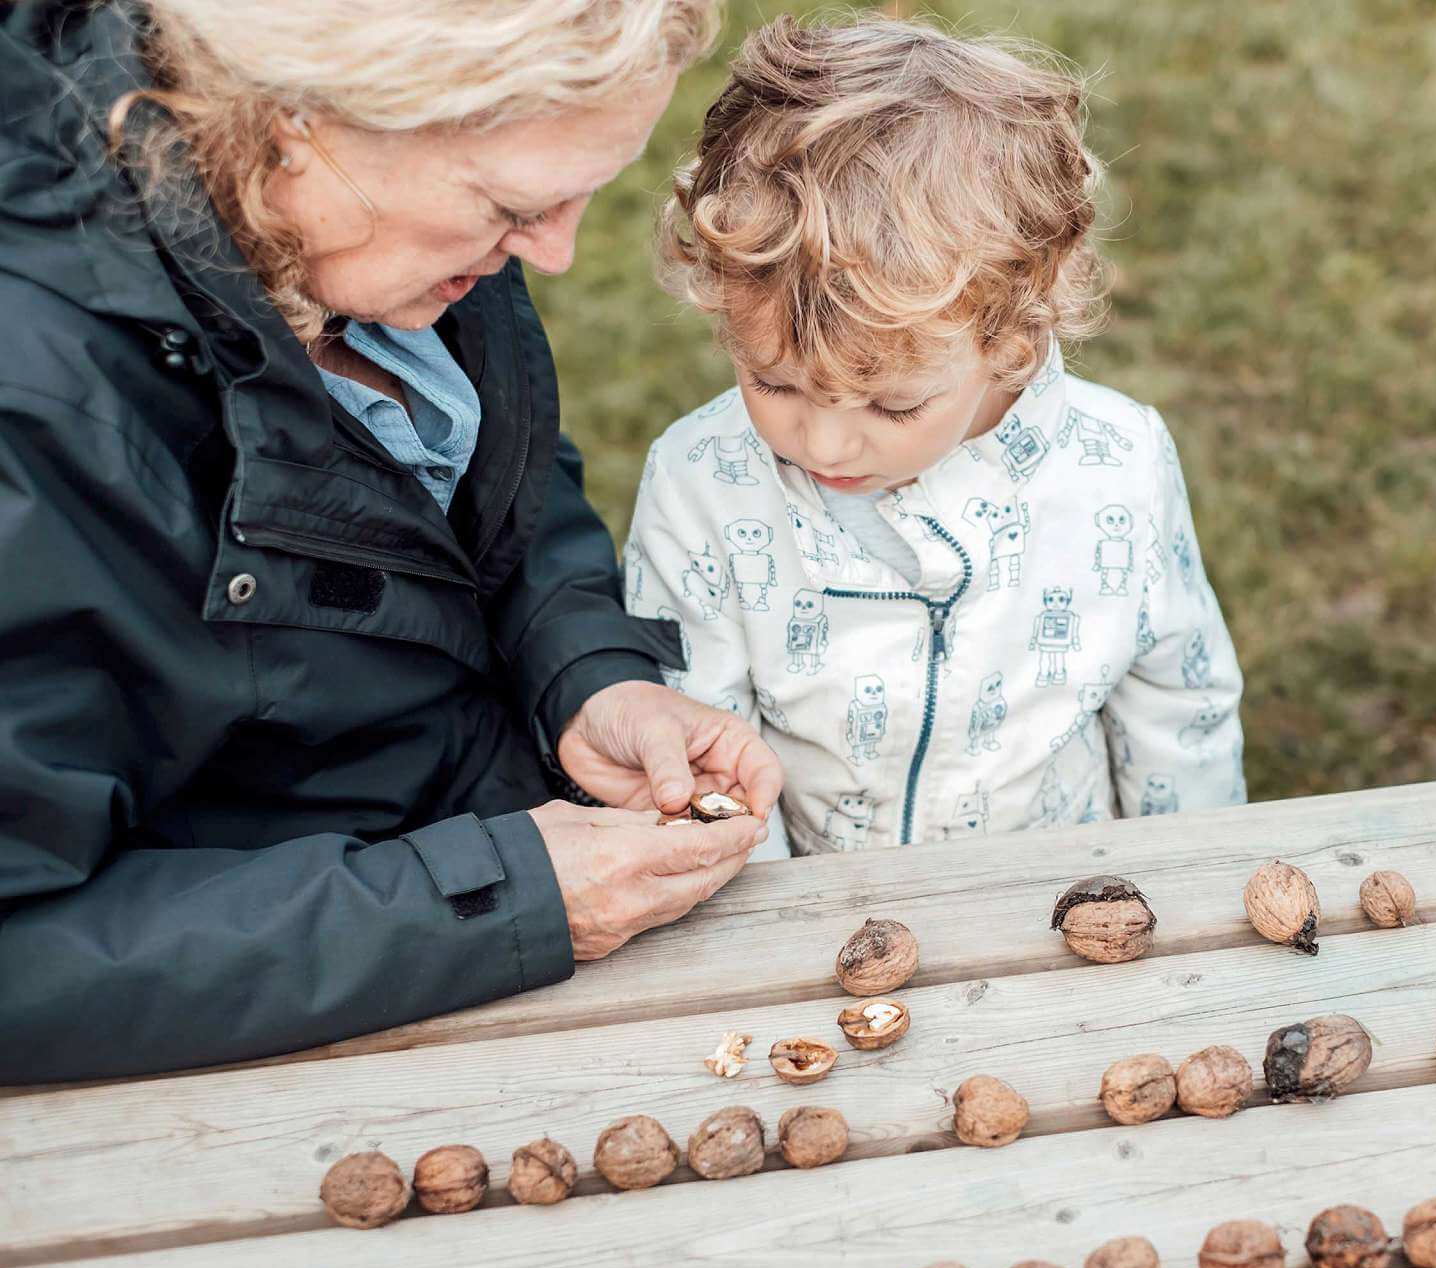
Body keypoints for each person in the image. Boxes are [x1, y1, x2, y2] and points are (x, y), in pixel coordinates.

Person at [0, 0, 781, 1086]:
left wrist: (586, 675)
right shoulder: (36, 414)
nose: (556, 253)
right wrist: (499, 895)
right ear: (298, 121)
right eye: (517, 206)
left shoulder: (373, 235)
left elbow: (496, 488)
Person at [624, 15, 1246, 856]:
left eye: (892, 407)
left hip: (1062, 894)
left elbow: (1178, 703)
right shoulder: (699, 482)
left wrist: (1188, 874)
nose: (825, 445)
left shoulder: (1120, 465)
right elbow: (699, 743)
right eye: (773, 383)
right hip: (818, 910)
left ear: (1011, 338)